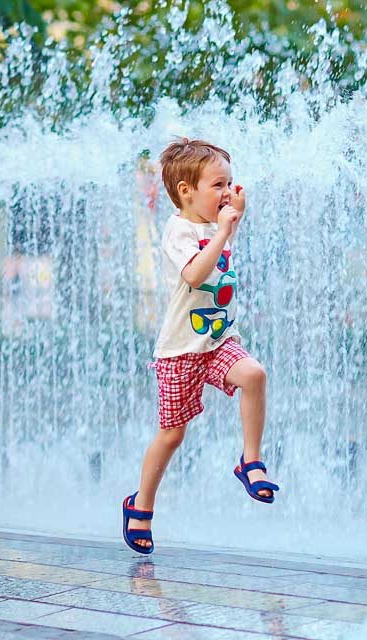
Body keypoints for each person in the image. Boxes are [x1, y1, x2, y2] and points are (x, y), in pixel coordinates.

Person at [122, 138, 279, 555]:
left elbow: (223, 239)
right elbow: (194, 275)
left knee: (255, 375)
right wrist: (227, 228)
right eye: (218, 185)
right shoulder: (179, 230)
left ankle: (250, 460)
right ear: (186, 191)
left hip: (218, 340)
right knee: (172, 436)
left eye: (230, 183)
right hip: (179, 351)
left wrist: (233, 219)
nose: (227, 193)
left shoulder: (216, 224)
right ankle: (140, 505)